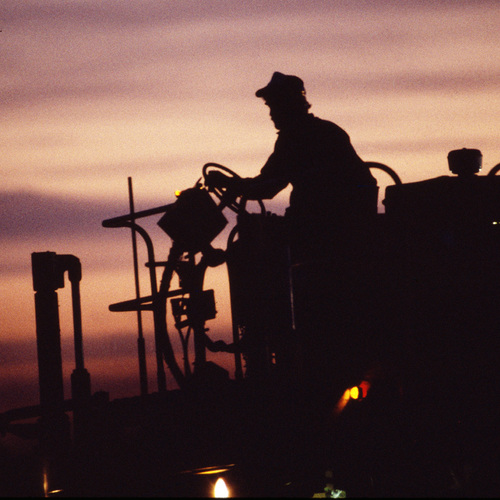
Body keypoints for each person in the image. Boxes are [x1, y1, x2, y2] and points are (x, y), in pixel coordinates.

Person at [205, 72, 378, 486]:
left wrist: (232, 185)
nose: (270, 113)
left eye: (273, 105)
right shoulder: (320, 133)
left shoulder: (303, 136)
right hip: (332, 245)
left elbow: (268, 184)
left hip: (328, 252)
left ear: (292, 103)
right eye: (268, 107)